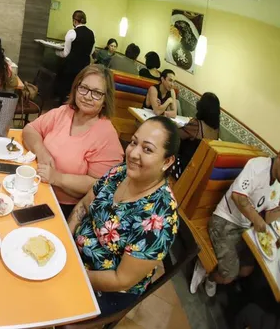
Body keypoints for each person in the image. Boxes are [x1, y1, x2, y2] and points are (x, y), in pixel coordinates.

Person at [68, 116, 180, 316]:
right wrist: (65, 237)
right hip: (74, 254)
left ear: (167, 161)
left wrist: (73, 275)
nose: (133, 153)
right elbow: (85, 203)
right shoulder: (120, 173)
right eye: (134, 142)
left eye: (147, 149)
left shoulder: (160, 218)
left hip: (105, 286)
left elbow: (122, 279)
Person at [23, 65, 124, 218]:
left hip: (64, 208)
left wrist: (57, 178)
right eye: (84, 88)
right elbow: (30, 129)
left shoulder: (107, 136)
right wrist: (42, 152)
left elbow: (100, 185)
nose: (88, 96)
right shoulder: (64, 112)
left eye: (97, 93)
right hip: (36, 188)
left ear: (105, 99)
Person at [190, 151, 280, 297]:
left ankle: (216, 267)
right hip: (224, 219)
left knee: (247, 270)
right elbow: (238, 196)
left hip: (243, 227)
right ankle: (207, 270)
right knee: (229, 275)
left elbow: (269, 216)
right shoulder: (258, 166)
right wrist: (257, 220)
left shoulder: (278, 184)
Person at [55, 10, 95, 104]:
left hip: (70, 68)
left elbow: (65, 53)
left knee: (61, 78)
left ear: (74, 21)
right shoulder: (92, 33)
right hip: (83, 68)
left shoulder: (72, 32)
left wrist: (56, 52)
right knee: (78, 87)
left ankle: (61, 102)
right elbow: (91, 52)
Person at [176, 92, 220, 173]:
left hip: (184, 167)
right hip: (199, 169)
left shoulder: (197, 125)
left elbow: (176, 134)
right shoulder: (216, 130)